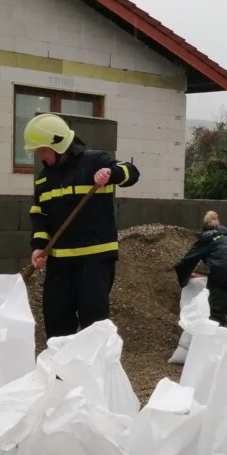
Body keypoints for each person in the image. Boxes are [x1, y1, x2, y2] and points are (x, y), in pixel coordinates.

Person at [24, 113, 140, 338]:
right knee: (56, 320)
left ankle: (94, 370)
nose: (40, 156)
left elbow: (132, 173)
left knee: (93, 323)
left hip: (94, 261)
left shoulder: (94, 161)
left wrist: (111, 173)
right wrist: (38, 245)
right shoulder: (43, 178)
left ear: (57, 145)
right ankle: (61, 372)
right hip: (59, 263)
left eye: (42, 150)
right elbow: (39, 214)